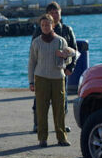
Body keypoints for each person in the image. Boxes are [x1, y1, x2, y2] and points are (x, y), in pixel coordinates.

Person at [28, 13, 78, 147]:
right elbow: (32, 62)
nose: (45, 27)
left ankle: (61, 137)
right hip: (41, 78)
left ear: (53, 25)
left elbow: (68, 59)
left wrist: (64, 55)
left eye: (47, 24)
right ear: (40, 26)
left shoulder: (61, 41)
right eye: (43, 25)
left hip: (58, 78)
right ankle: (42, 138)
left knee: (59, 109)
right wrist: (31, 81)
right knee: (41, 109)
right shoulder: (36, 42)